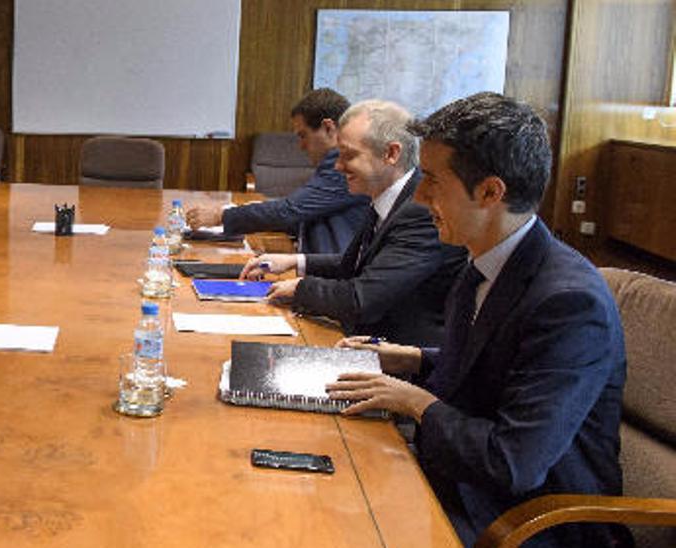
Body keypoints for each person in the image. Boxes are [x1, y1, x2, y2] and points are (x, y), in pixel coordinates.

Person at [327, 93, 630, 548]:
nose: (420, 196)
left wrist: (414, 402)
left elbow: (514, 462)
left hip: (522, 523)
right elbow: (492, 367)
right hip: (456, 484)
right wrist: (407, 359)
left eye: (431, 181)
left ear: (490, 192)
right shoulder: (484, 263)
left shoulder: (569, 303)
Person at [241, 100, 465, 347]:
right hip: (363, 341)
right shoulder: (386, 196)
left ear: (391, 153)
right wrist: (294, 261)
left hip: (400, 360)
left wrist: (301, 288)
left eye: (348, 155)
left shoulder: (420, 211)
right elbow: (355, 264)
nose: (338, 166)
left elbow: (363, 299)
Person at [186, 88, 368, 254]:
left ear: (328, 128)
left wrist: (222, 216)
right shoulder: (335, 162)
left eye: (303, 135)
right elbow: (302, 213)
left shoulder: (345, 166)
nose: (301, 146)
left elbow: (290, 211)